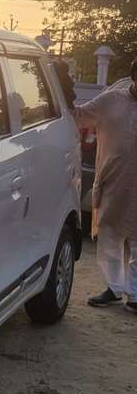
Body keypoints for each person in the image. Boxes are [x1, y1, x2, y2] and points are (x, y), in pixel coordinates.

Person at [75, 58, 137, 314]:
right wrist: (61, 89)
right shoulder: (111, 100)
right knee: (110, 236)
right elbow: (78, 117)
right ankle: (113, 288)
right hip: (114, 182)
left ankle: (135, 295)